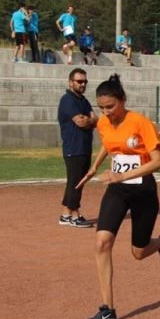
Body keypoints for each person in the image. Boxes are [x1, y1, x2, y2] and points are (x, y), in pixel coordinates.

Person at [76, 74, 160, 319]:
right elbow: (109, 144)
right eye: (102, 108)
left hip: (143, 191)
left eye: (110, 106)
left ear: (123, 100)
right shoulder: (103, 123)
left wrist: (122, 175)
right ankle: (107, 308)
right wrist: (94, 167)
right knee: (102, 242)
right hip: (117, 190)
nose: (106, 113)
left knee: (138, 252)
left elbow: (159, 161)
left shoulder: (141, 123)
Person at [57, 68, 97, 228]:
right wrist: (89, 121)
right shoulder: (68, 100)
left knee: (77, 181)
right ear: (70, 83)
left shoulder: (84, 101)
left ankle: (65, 214)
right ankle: (75, 215)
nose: (83, 84)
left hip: (84, 147)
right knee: (76, 182)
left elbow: (96, 120)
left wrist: (89, 121)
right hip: (73, 148)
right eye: (79, 81)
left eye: (85, 81)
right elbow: (80, 122)